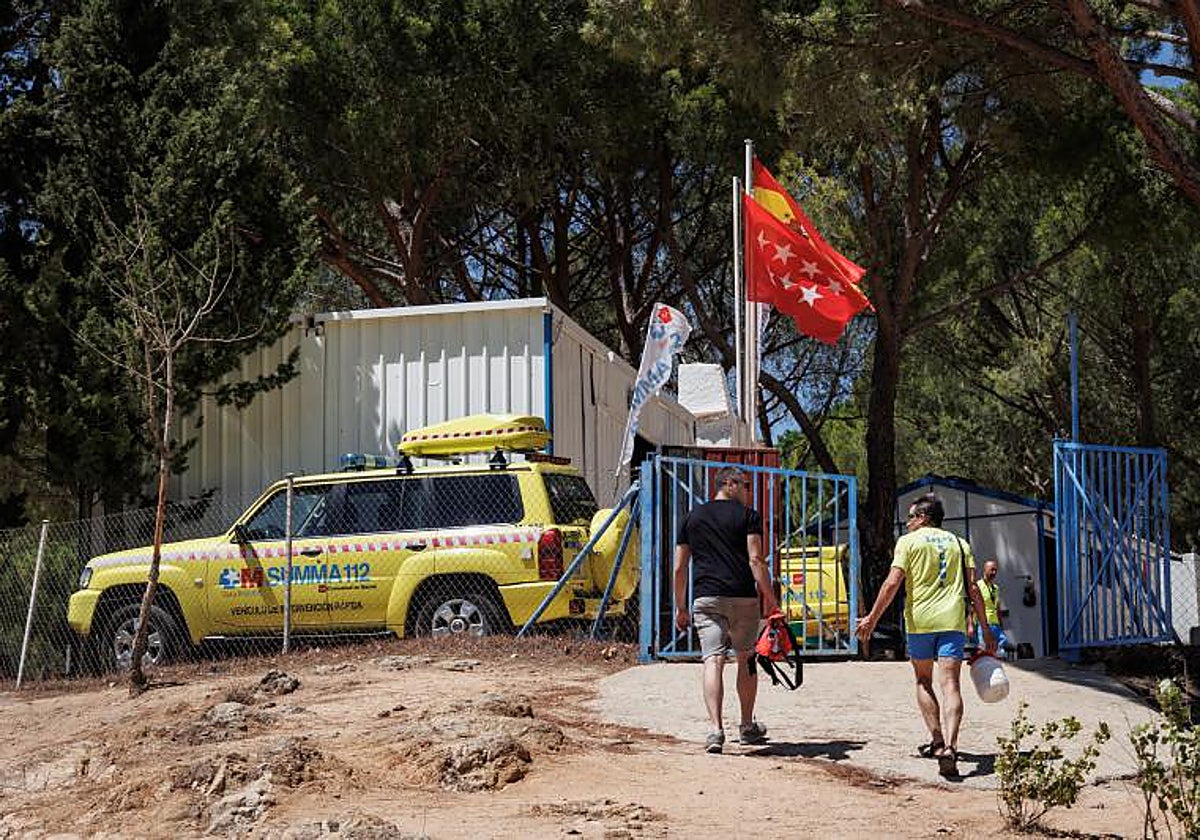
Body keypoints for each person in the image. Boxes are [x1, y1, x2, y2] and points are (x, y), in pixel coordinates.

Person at [856, 493, 995, 777]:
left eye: (910, 517)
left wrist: (872, 619)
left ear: (922, 517)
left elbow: (893, 582)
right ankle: (952, 748)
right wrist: (986, 628)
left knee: (922, 680)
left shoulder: (908, 543)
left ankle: (937, 741)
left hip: (920, 623)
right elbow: (974, 590)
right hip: (952, 622)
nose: (907, 523)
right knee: (951, 686)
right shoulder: (960, 543)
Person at [674, 465, 781, 754]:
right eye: (745, 485)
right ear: (729, 484)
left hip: (707, 599)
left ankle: (715, 730)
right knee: (745, 659)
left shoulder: (692, 518)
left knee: (712, 660)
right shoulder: (748, 517)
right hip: (743, 598)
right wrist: (770, 599)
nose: (749, 492)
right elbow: (756, 560)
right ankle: (747, 726)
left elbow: (680, 567)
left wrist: (681, 607)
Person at [969, 559, 1011, 656]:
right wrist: (970, 625)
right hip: (983, 624)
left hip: (995, 624)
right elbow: (971, 606)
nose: (994, 572)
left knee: (1001, 648)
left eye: (995, 570)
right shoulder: (978, 586)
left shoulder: (995, 588)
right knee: (984, 650)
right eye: (991, 570)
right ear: (985, 570)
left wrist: (1001, 626)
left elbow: (997, 608)